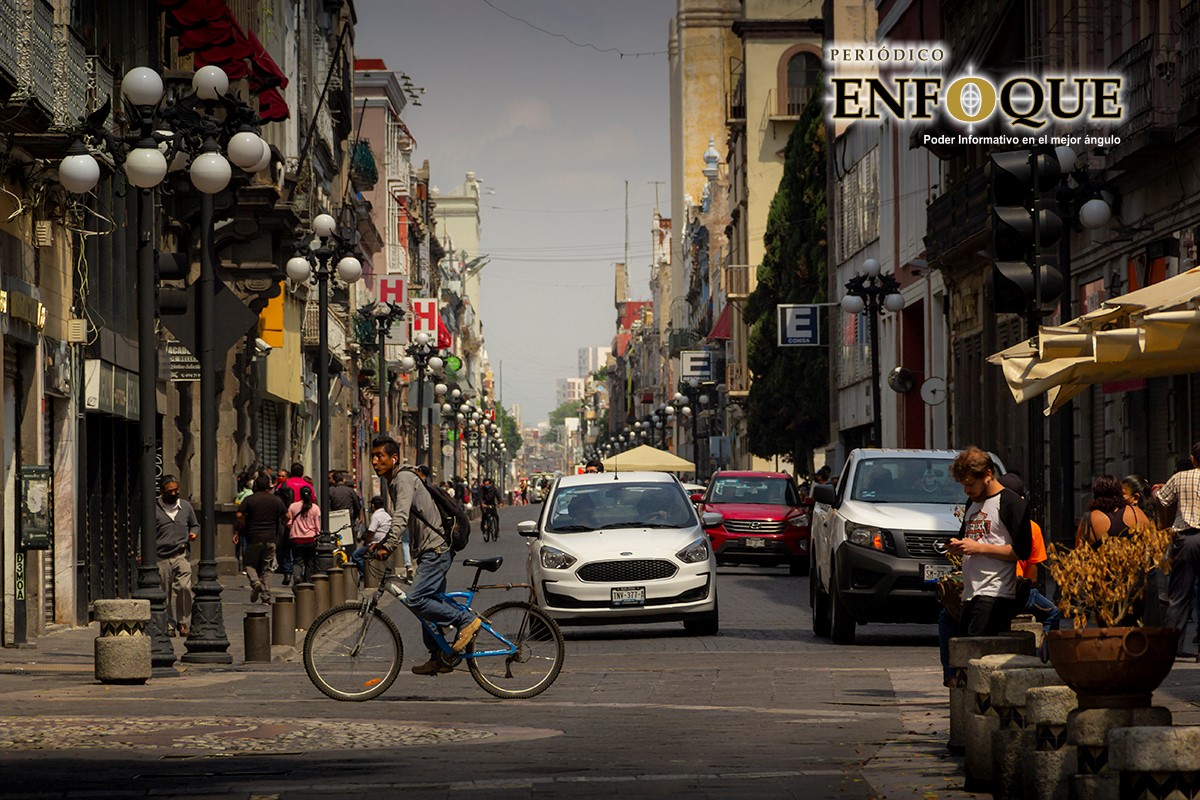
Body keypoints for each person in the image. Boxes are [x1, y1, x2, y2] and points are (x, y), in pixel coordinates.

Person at [369, 436, 482, 676]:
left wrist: (388, 545)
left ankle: (465, 620)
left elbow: (399, 517)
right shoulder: (397, 481)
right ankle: (438, 656)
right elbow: (398, 520)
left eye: (380, 456)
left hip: (436, 550)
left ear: (394, 458)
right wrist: (377, 543)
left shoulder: (403, 479)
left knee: (416, 600)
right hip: (433, 550)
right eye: (373, 456)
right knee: (428, 605)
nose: (375, 461)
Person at [948, 448, 1032, 636]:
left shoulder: (1010, 503)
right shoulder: (972, 503)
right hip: (971, 592)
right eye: (963, 485)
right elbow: (967, 538)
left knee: (977, 651)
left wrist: (978, 548)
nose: (967, 491)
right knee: (963, 652)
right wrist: (958, 545)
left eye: (970, 484)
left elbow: (1022, 551)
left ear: (988, 474)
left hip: (995, 593)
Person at [1152, 441, 1200, 658]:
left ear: (1192, 459)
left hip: (1186, 539)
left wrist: (1155, 491)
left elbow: (1161, 500)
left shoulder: (1181, 477)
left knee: (1180, 594)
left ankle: (1172, 646)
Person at [156, 475, 198, 637]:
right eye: (170, 491)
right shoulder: (155, 508)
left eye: (176, 490)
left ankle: (183, 621)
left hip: (181, 554)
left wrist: (193, 533)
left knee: (184, 587)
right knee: (164, 592)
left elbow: (194, 524)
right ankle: (168, 623)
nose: (174, 493)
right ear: (162, 492)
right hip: (161, 556)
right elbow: (144, 531)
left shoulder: (185, 507)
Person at [236, 473, 286, 604]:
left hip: (254, 537)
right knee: (267, 568)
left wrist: (243, 525)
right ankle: (266, 596)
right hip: (271, 538)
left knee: (249, 564)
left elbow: (239, 514)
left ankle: (255, 581)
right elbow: (288, 516)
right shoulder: (276, 500)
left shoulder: (250, 499)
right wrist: (283, 523)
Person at [1076, 474, 1150, 548]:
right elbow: (1152, 543)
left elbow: (1078, 552)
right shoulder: (1135, 513)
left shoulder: (1088, 520)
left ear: (1095, 495)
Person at [287, 485, 321, 584]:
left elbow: (289, 522)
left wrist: (293, 528)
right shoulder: (315, 508)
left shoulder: (293, 506)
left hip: (296, 538)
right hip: (310, 539)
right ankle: (308, 582)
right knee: (310, 562)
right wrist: (318, 534)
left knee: (297, 561)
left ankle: (297, 575)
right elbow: (317, 525)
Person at [328, 470, 363, 554]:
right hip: (349, 520)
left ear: (334, 480)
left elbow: (328, 507)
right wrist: (356, 517)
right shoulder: (350, 491)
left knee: (336, 541)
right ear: (342, 479)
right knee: (350, 543)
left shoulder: (330, 491)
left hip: (335, 520)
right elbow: (357, 506)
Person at [273, 468, 296, 584]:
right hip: (278, 520)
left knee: (284, 546)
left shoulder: (286, 490)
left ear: (287, 478)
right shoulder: (276, 488)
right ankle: (284, 568)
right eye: (278, 475)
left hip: (283, 521)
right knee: (280, 547)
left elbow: (288, 506)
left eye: (282, 476)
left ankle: (287, 571)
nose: (280, 478)